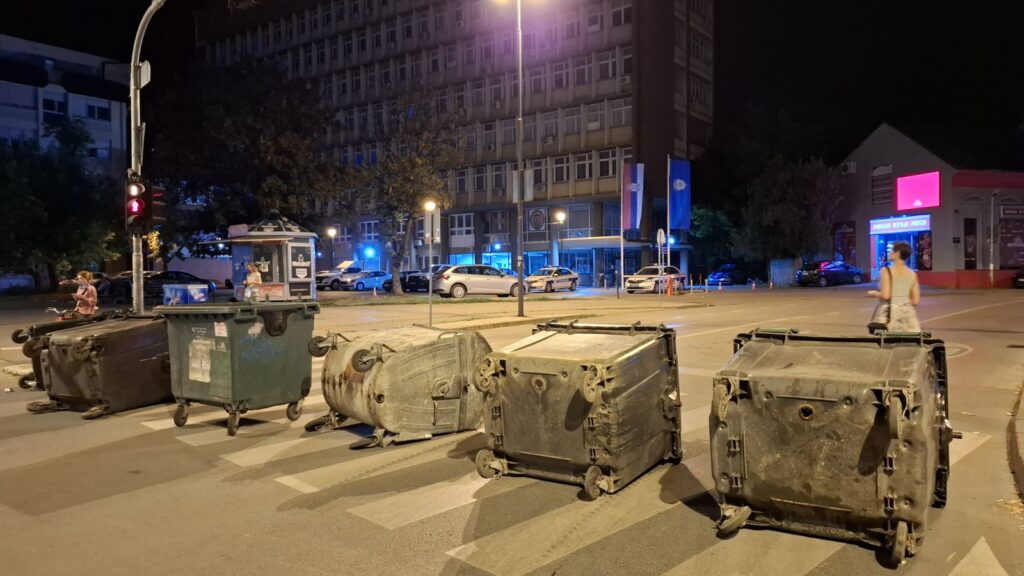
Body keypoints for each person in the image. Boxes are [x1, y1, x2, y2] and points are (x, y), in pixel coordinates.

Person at [868, 241, 921, 332]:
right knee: (910, 339)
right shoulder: (912, 274)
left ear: (897, 253)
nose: (890, 253)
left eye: (891, 250)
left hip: (891, 314)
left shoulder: (886, 271)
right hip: (908, 314)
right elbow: (915, 301)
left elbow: (886, 295)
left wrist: (874, 293)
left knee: (889, 339)